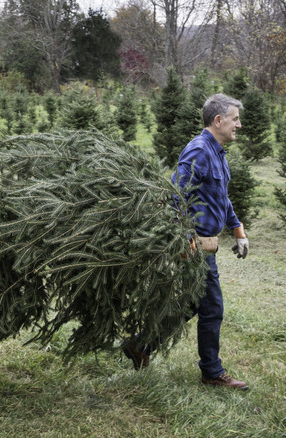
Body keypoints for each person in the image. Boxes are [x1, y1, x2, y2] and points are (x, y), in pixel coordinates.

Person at [122, 93, 250, 390]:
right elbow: (175, 196)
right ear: (218, 121)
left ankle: (141, 345)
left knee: (194, 302)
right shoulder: (198, 151)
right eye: (235, 119)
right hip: (195, 247)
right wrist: (183, 239)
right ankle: (212, 372)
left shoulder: (217, 152)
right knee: (212, 306)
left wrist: (238, 230)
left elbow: (221, 197)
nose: (239, 125)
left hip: (208, 244)